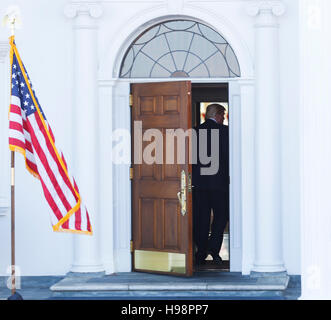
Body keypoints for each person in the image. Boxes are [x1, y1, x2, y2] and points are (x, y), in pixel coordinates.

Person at [193, 104, 229, 266]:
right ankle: (213, 250)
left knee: (201, 218)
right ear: (218, 115)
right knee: (220, 217)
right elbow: (228, 158)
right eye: (223, 114)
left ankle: (200, 252)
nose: (224, 118)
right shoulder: (225, 132)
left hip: (199, 184)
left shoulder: (194, 132)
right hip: (219, 183)